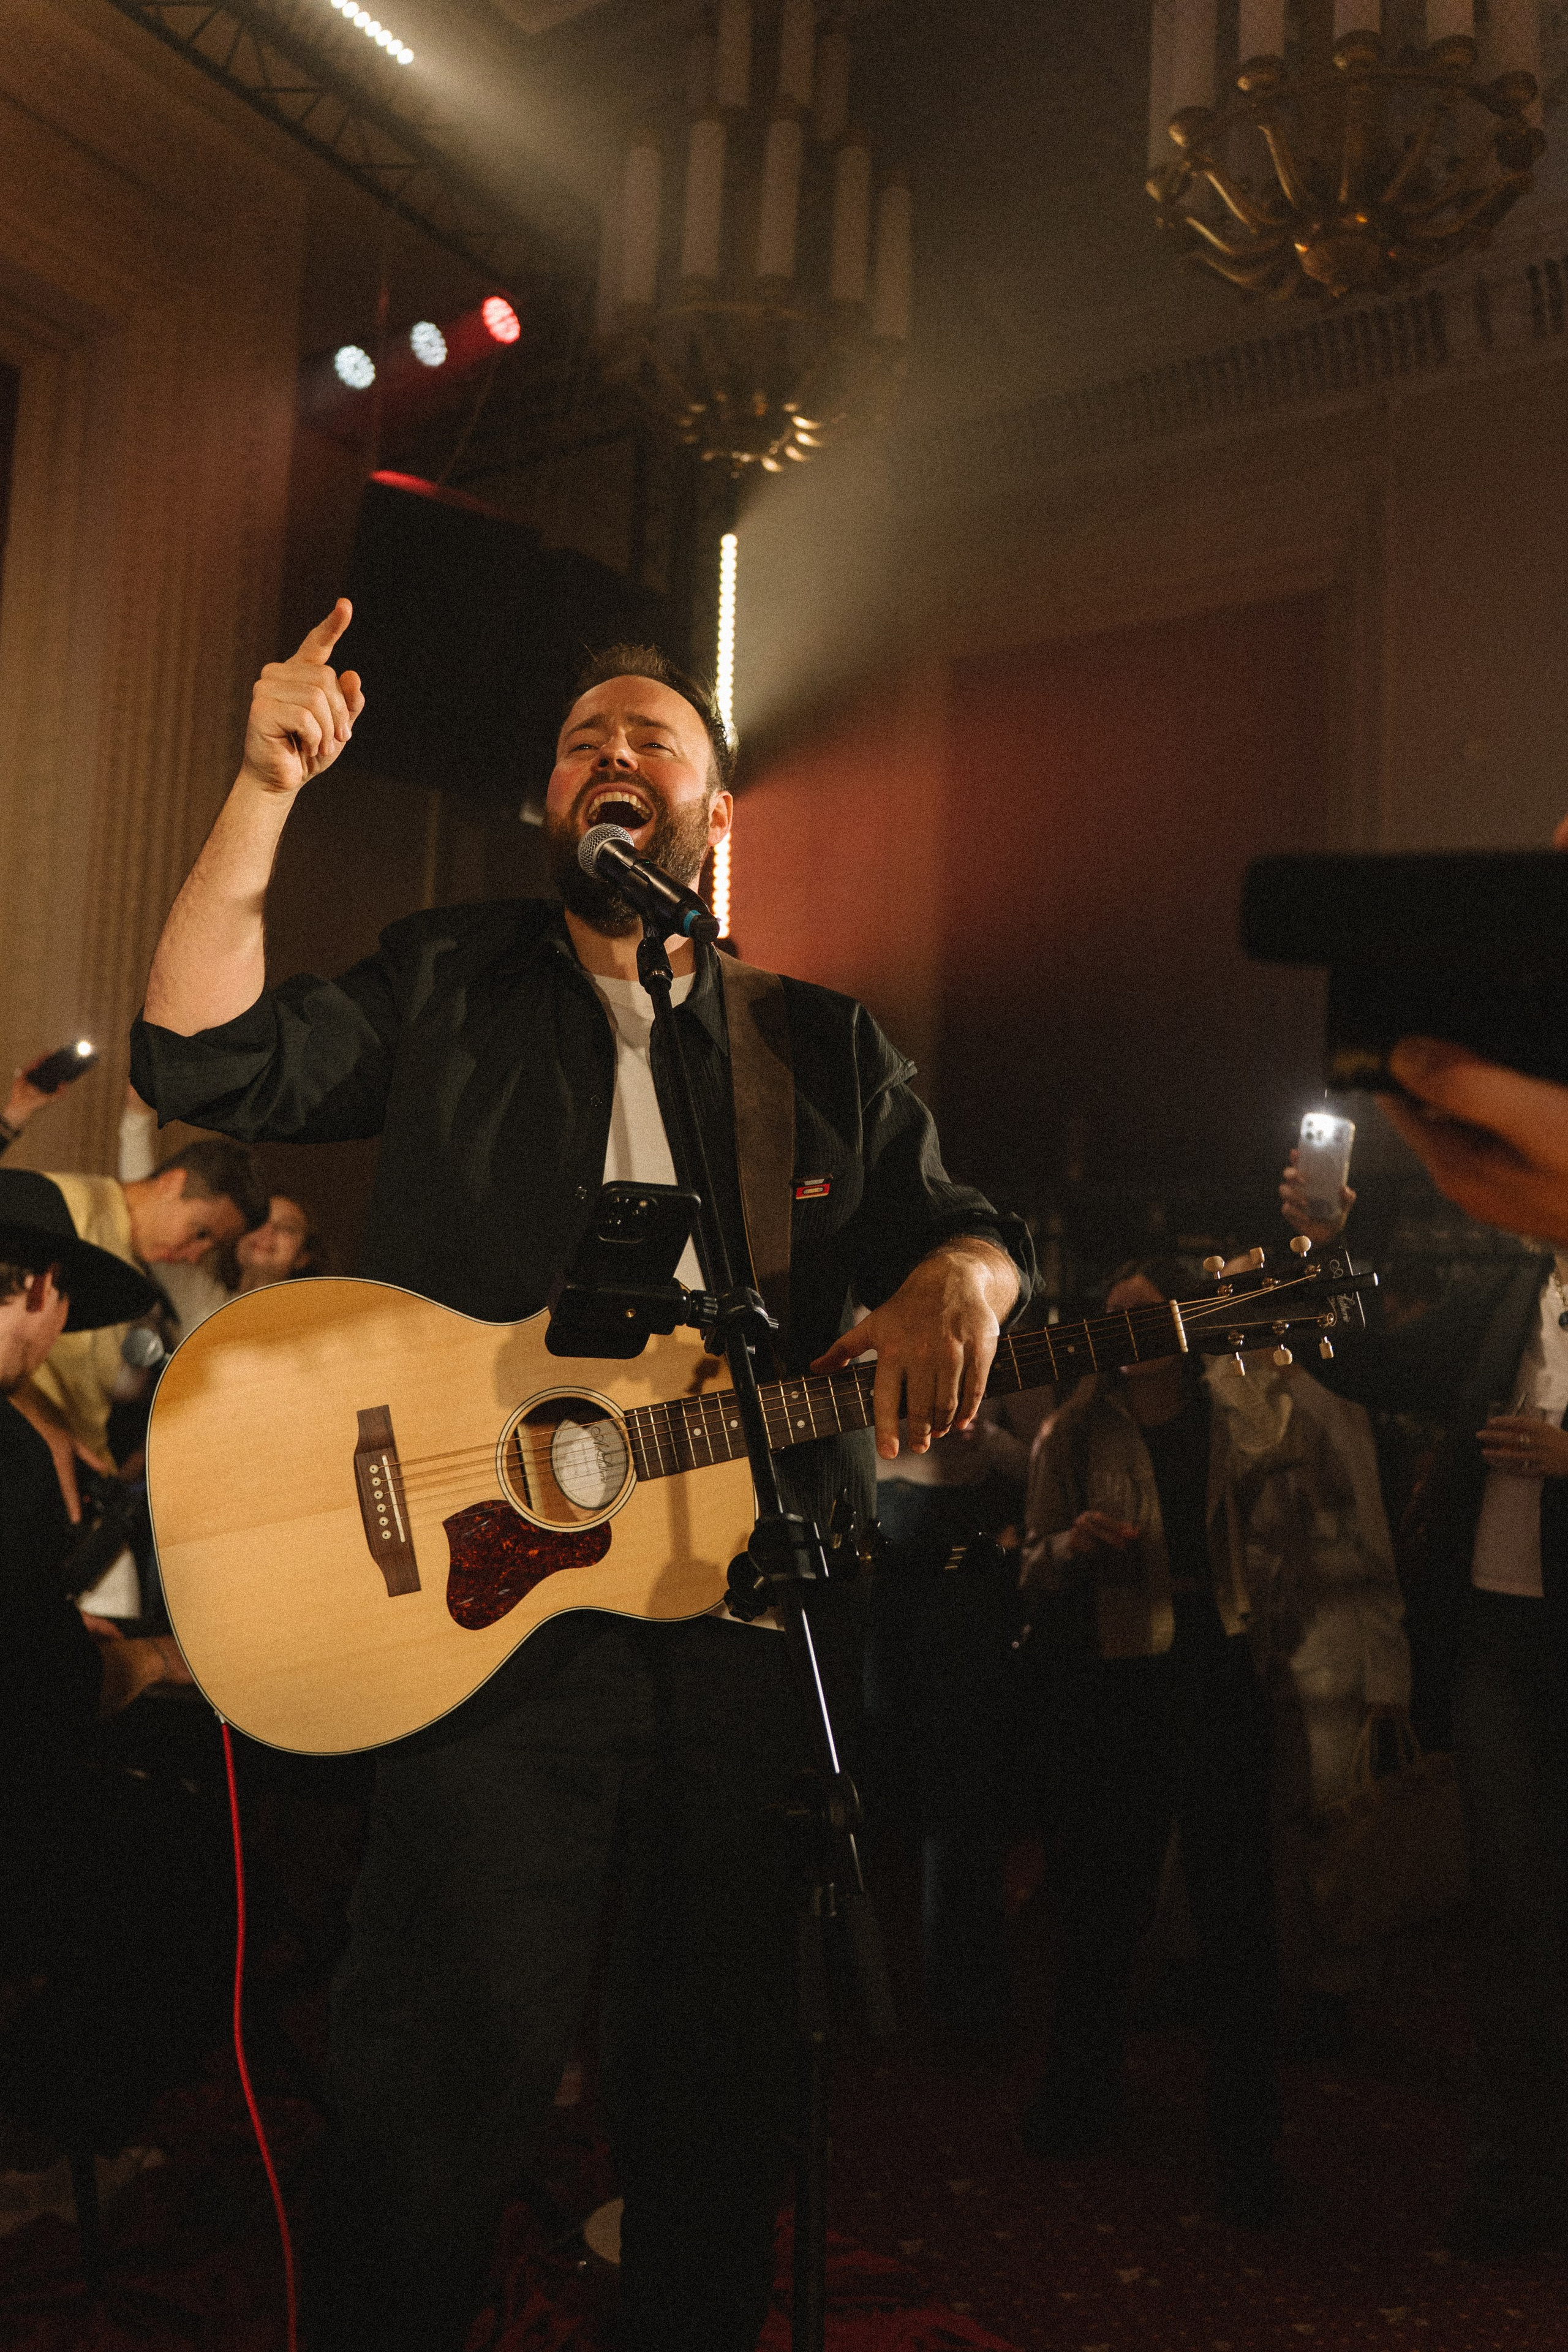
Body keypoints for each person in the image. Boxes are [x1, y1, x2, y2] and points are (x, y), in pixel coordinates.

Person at [129, 600, 1033, 2352]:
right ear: (553, 803)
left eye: (650, 739)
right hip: (486, 1614)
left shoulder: (818, 1046)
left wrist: (968, 1278)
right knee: (433, 2085)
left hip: (749, 1627)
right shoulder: (453, 974)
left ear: (714, 807)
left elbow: (968, 1235)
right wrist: (261, 789)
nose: (609, 756)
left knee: (719, 2099)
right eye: (578, 742)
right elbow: (204, 1056)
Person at [1019, 1256, 1329, 2226]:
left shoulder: (1220, 1408)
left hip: (1217, 1659)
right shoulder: (1077, 1427)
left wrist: (1247, 1341)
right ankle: (1083, 2094)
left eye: (1149, 1321)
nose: (1131, 1339)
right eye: (1115, 1324)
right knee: (1105, 1901)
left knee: (1238, 1914)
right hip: (1120, 1671)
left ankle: (1246, 2139)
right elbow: (1029, 1566)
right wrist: (1072, 1548)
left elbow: (1283, 1442)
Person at [0, 1170, 210, 2157]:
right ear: (41, 1291)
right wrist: (150, 1660)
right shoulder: (8, 1456)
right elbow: (47, 1700)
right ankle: (58, 2134)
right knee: (168, 1845)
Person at [15, 1137, 266, 1495]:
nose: (195, 1256)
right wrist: (41, 1421)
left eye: (210, 1246)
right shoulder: (64, 1205)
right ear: (172, 1183)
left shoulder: (133, 1266)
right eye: (201, 1233)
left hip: (72, 1473)